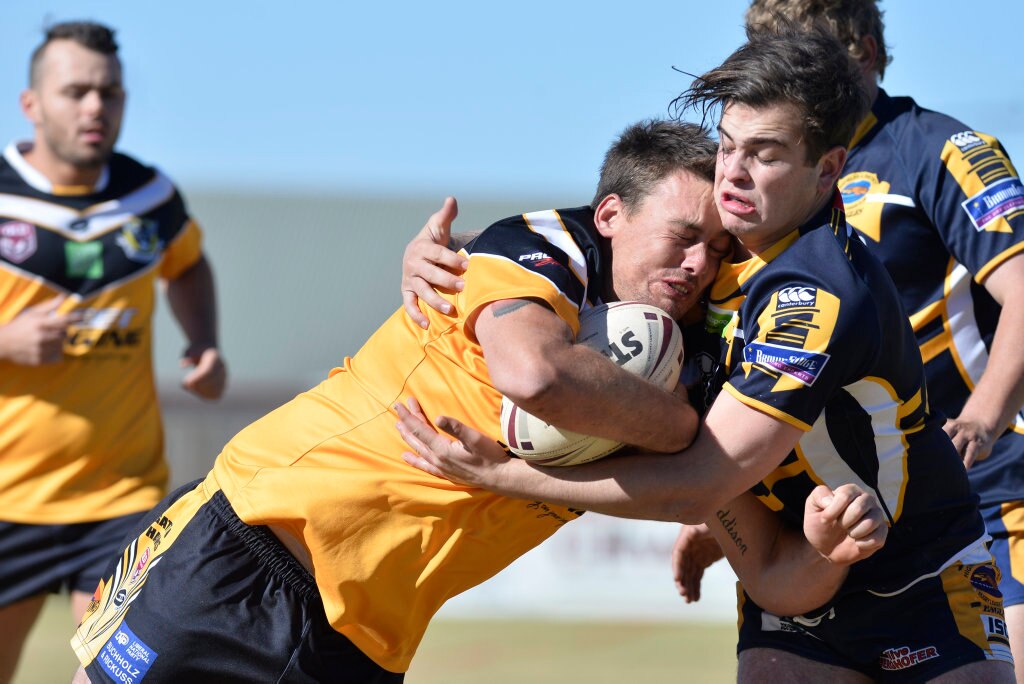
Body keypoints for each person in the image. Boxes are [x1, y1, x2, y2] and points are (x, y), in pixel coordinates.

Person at [70, 119, 886, 683]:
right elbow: (536, 375)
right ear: (609, 215)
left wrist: (825, 545)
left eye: (718, 250)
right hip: (252, 546)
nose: (699, 265)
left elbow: (778, 576)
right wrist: (676, 429)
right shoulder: (533, 254)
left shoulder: (699, 362)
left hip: (365, 640)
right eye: (682, 236)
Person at [395, 26, 1015, 681]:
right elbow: (611, 239)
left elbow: (700, 482)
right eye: (727, 146)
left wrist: (504, 477)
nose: (734, 174)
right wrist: (455, 252)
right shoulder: (723, 247)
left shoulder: (816, 295)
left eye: (766, 154)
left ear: (827, 169)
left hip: (917, 571)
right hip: (785, 571)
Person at [672, 3, 1024, 679]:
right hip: (821, 509)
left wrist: (982, 417)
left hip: (976, 487)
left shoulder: (943, 152)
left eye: (803, 53)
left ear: (863, 52)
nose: (785, 71)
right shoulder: (753, 180)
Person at [0, 20, 226, 682]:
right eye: (76, 91)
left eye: (110, 93)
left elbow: (187, 264)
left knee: (122, 677)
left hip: (120, 499)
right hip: (6, 499)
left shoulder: (150, 198)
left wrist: (204, 342)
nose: (96, 107)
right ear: (32, 104)